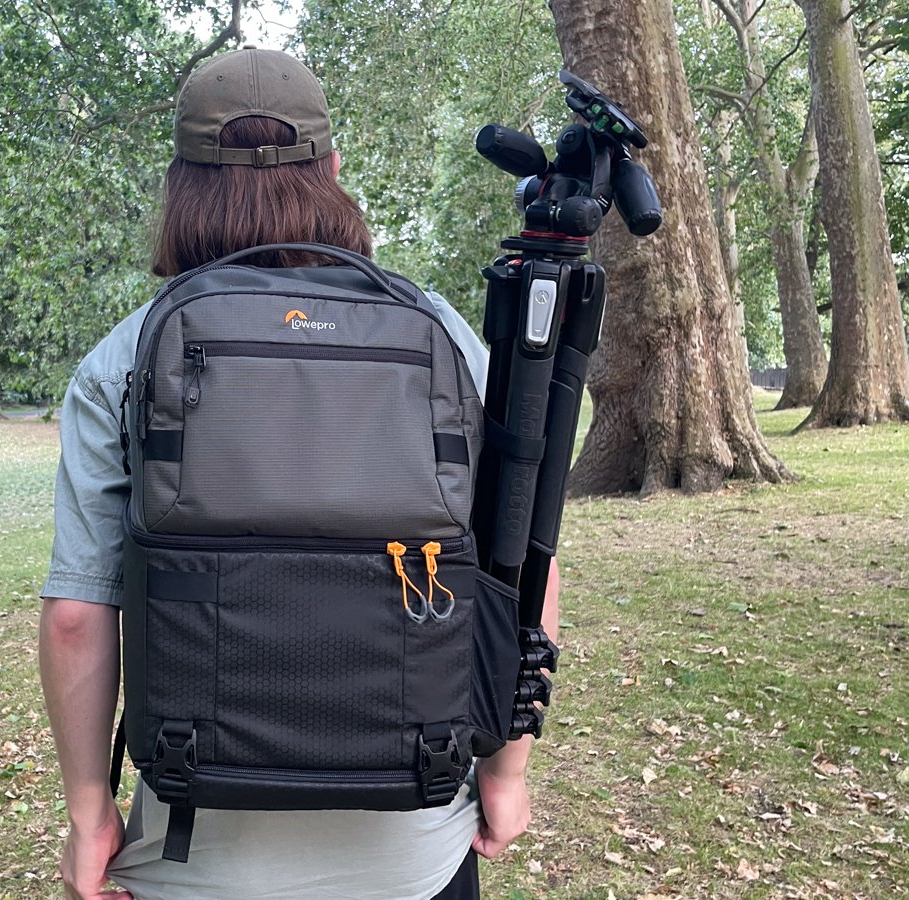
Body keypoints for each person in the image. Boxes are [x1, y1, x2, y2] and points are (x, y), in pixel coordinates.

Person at [39, 45, 560, 900]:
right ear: (334, 170)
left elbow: (76, 615)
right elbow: (519, 570)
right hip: (414, 852)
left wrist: (90, 812)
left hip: (194, 853)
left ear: (180, 186)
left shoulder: (126, 356)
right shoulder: (440, 337)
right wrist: (505, 773)